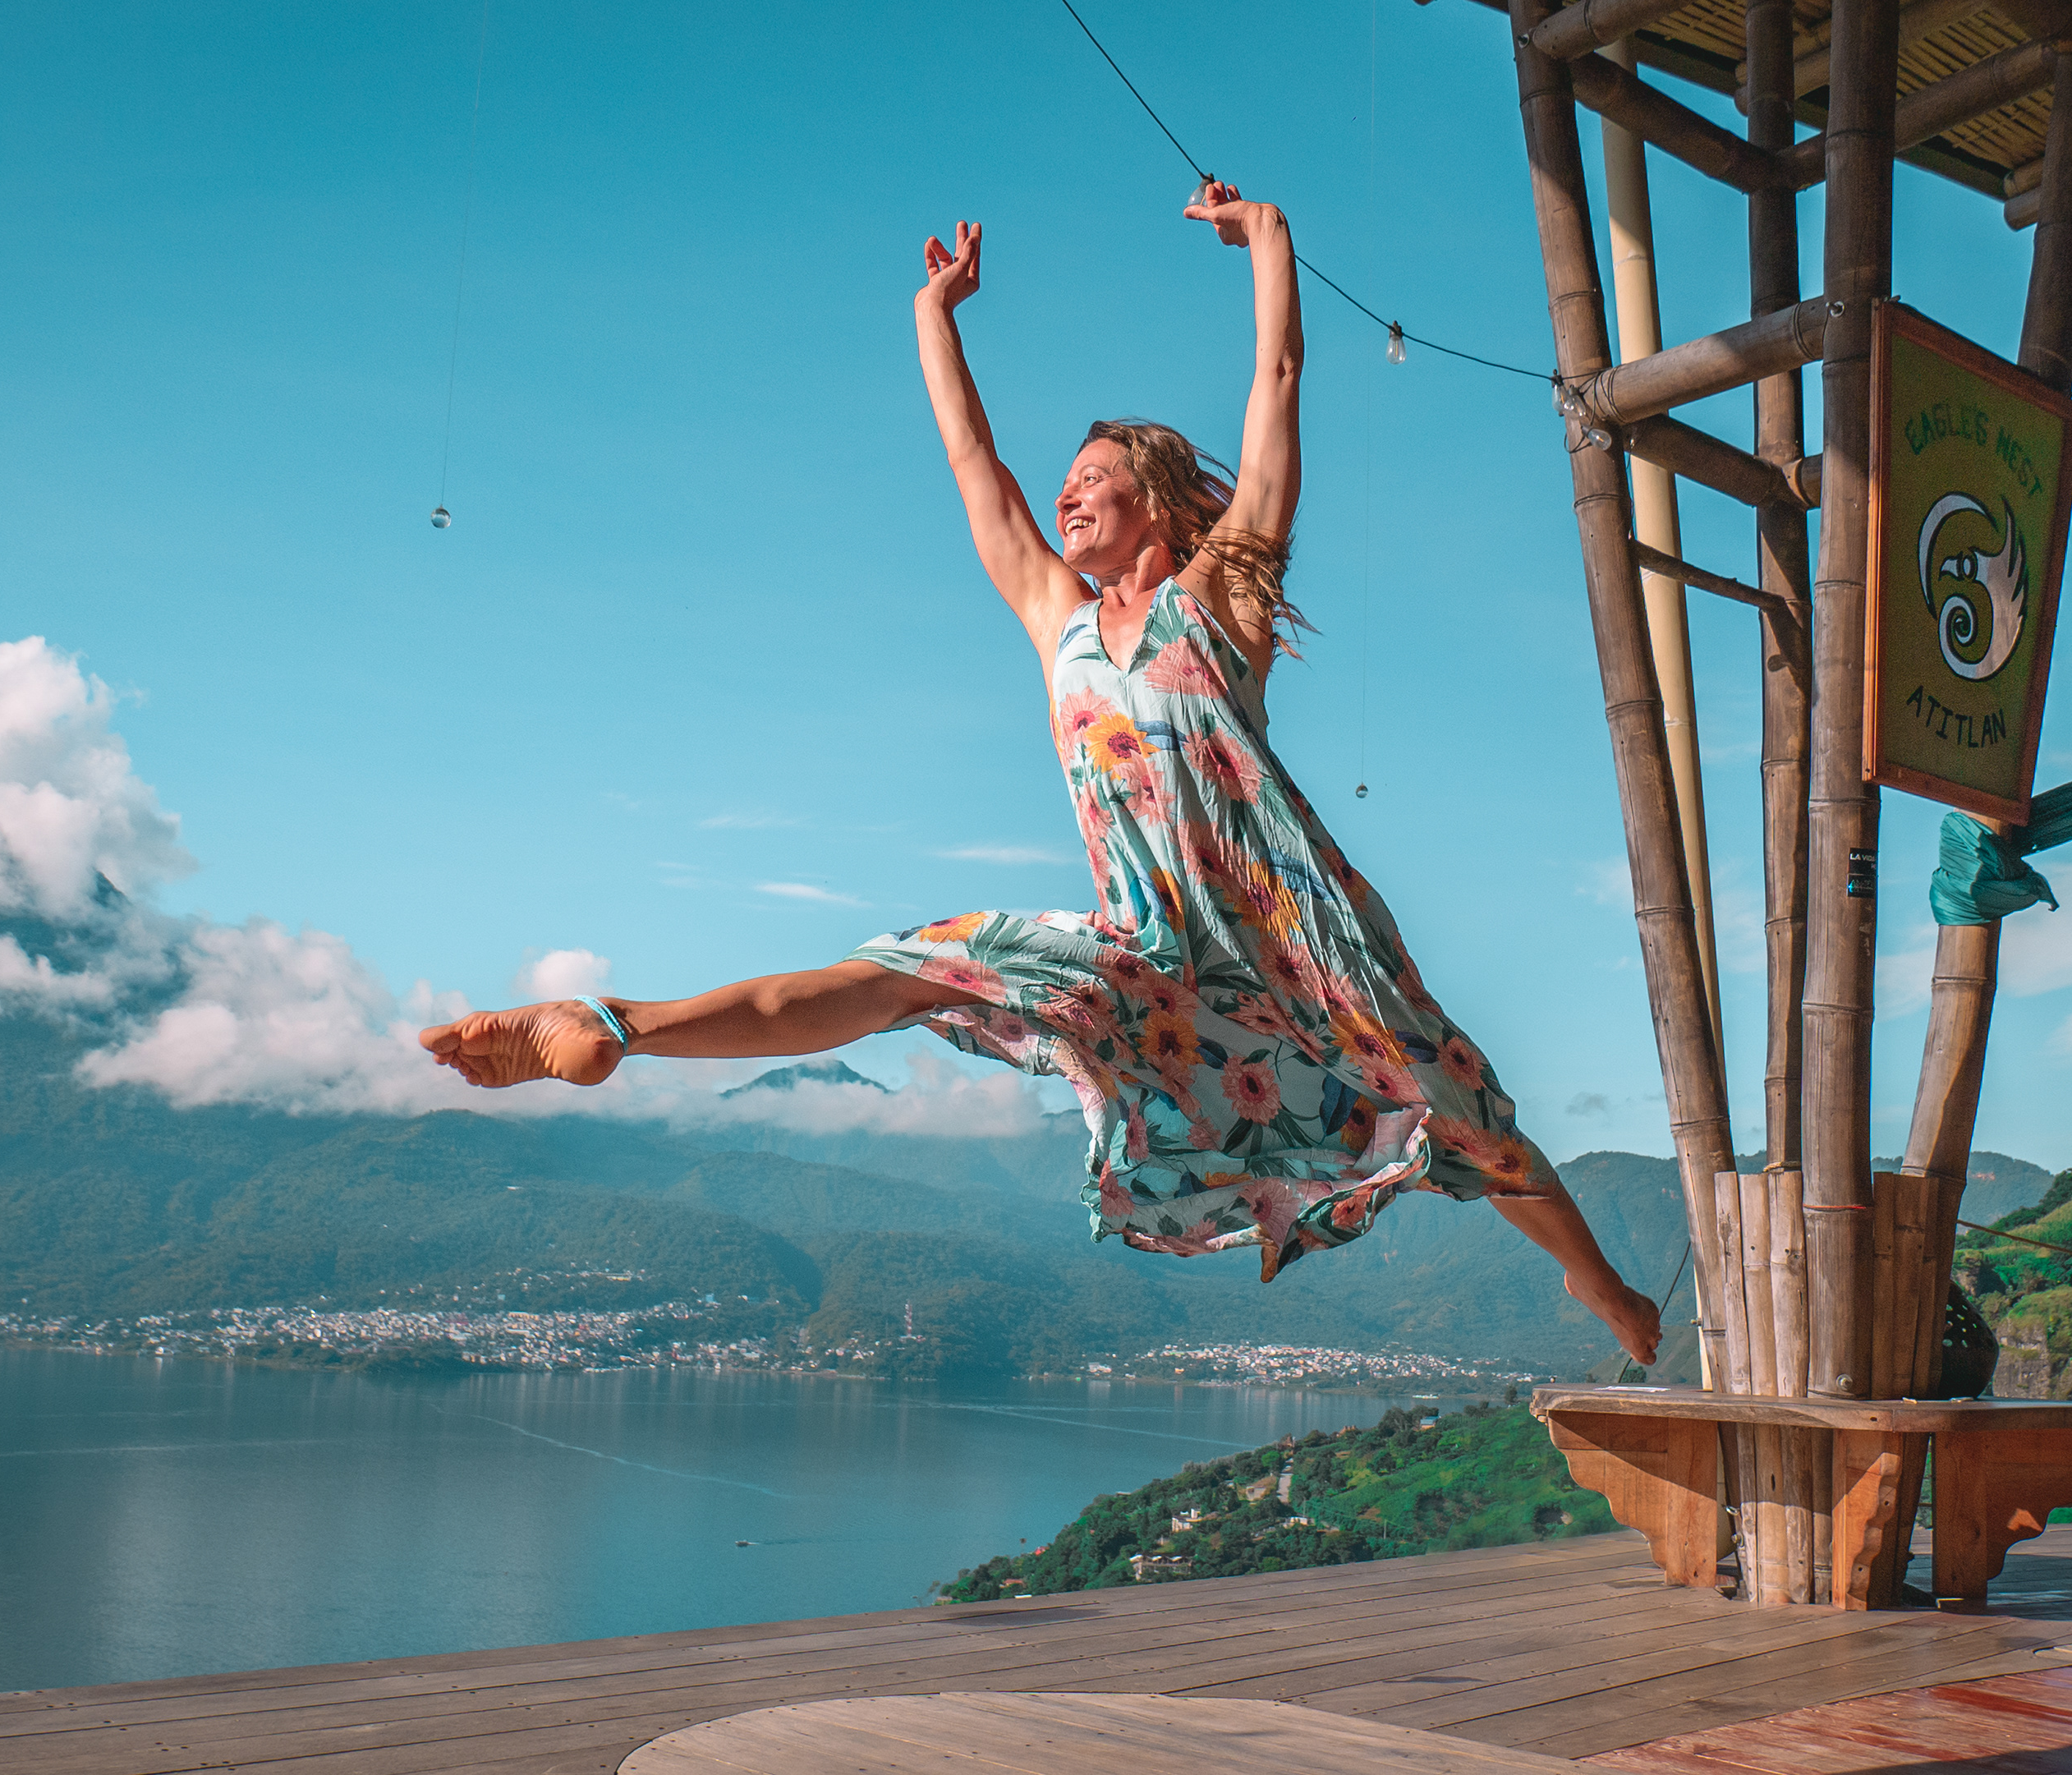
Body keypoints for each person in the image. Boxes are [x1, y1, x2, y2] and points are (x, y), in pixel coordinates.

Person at [418, 186, 1663, 1366]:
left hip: (1298, 945)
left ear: (1158, 503)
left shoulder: (1218, 595)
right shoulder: (1056, 622)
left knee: (1465, 1109)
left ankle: (1594, 1280)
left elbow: (1277, 383)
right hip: (1140, 956)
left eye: (1095, 479)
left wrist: (1271, 234)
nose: (1067, 495)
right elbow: (976, 466)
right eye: (1065, 483)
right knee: (907, 968)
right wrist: (932, 316)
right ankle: (613, 1027)